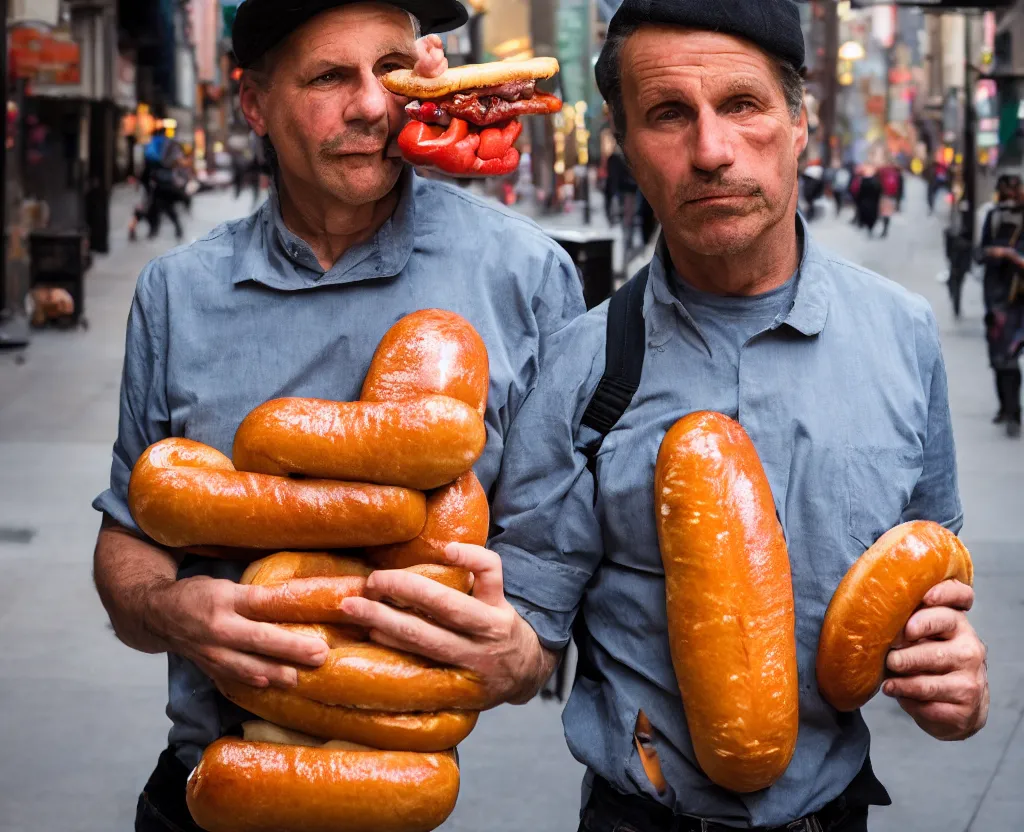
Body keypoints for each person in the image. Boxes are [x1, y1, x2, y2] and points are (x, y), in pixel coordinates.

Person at [340, 2, 990, 830]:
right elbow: (530, 636)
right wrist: (499, 653)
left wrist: (954, 680)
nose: (712, 151)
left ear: (799, 123)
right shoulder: (580, 368)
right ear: (624, 144)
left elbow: (931, 578)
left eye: (743, 106)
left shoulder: (903, 335)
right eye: (669, 115)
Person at [90, 3, 585, 831]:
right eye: (329, 76)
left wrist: (522, 653)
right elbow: (130, 532)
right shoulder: (179, 294)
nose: (370, 106)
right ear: (254, 103)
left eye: (389, 71)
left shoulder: (527, 276)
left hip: (397, 791)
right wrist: (164, 610)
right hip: (220, 780)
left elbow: (551, 550)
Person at [979, 173, 1024, 437]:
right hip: (995, 293)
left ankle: (1013, 409)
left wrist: (1010, 255)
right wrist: (991, 253)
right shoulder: (993, 216)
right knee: (998, 355)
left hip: (1017, 297)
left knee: (1009, 354)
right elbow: (981, 250)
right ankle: (1005, 407)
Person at [878, 161, 903, 239]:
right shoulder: (897, 174)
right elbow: (900, 188)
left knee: (884, 213)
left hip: (885, 195)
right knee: (887, 214)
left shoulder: (883, 172)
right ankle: (885, 228)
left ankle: (884, 228)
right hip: (892, 196)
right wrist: (899, 200)